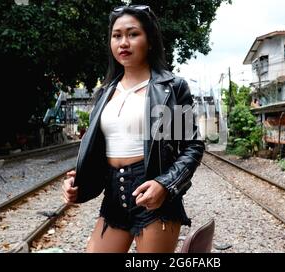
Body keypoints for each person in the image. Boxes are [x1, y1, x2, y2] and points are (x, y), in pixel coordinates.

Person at [62, 5, 204, 253]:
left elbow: (191, 146)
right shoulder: (106, 92)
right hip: (113, 197)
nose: (123, 43)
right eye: (117, 36)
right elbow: (101, 148)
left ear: (149, 40)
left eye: (133, 34)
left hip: (155, 196)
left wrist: (165, 185)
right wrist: (80, 181)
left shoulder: (170, 88)